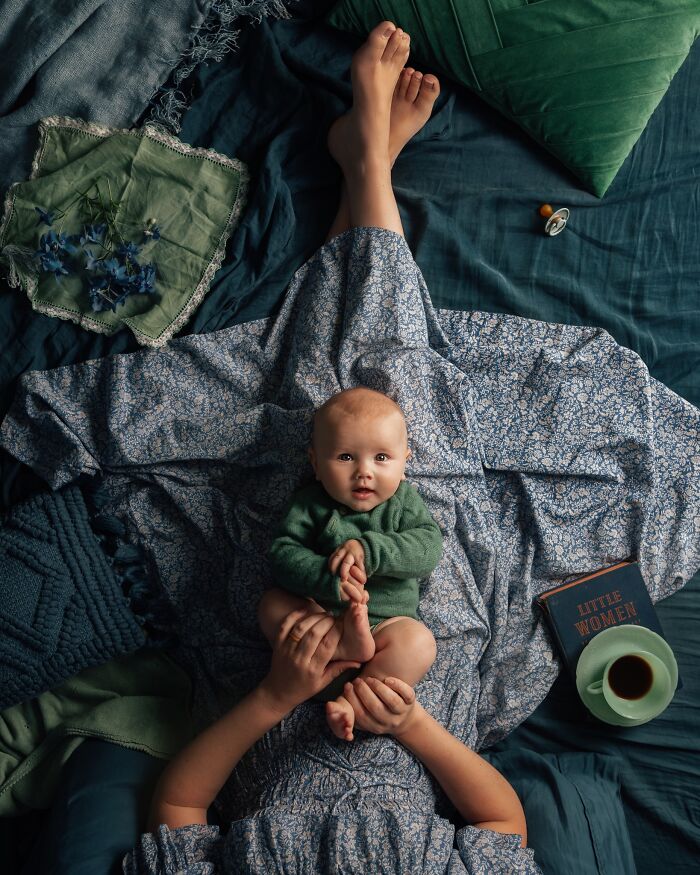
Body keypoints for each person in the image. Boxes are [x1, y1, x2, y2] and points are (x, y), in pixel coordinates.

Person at [126, 21, 538, 872]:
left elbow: (176, 807)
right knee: (389, 402)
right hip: (415, 662)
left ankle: (367, 161)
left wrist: (279, 692)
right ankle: (368, 162)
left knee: (317, 408)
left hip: (280, 661)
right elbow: (504, 828)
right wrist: (412, 723)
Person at [260, 386, 443, 742]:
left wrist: (370, 550)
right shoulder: (310, 504)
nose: (364, 472)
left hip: (384, 627)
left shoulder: (403, 502)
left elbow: (427, 549)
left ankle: (352, 701)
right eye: (345, 457)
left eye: (381, 458)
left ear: (405, 461)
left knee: (419, 642)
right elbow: (283, 555)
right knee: (270, 605)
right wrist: (326, 579)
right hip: (321, 625)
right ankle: (340, 652)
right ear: (315, 463)